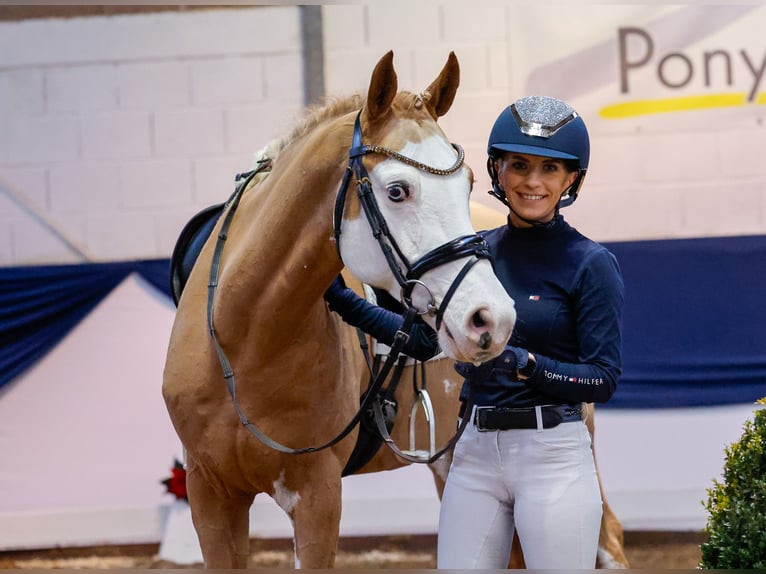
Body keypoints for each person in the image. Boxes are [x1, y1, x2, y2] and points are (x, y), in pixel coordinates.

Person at [324, 95, 624, 570]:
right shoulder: (474, 256)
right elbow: (424, 341)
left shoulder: (590, 265)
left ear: (571, 180)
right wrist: (342, 301)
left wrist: (526, 365)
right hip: (475, 452)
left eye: (550, 168)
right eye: (519, 165)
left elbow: (602, 380)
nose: (531, 181)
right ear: (497, 170)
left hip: (553, 455)